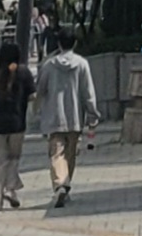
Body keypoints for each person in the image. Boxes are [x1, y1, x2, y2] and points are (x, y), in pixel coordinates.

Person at [35, 27, 99, 207]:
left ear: (59, 44)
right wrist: (93, 113)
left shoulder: (49, 65)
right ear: (75, 43)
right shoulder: (82, 64)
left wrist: (36, 109)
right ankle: (65, 185)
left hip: (54, 116)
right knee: (70, 155)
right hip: (75, 117)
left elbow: (40, 89)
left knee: (56, 154)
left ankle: (60, 185)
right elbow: (88, 92)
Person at [0, 44, 35, 210]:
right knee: (13, 160)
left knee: (0, 163)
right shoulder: (24, 73)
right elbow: (32, 96)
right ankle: (11, 190)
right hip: (17, 124)